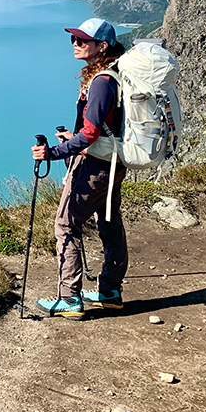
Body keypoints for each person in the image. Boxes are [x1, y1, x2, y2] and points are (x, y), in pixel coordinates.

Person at [29, 17, 128, 320]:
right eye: (74, 39)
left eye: (82, 41)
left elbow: (91, 133)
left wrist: (53, 153)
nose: (75, 44)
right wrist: (74, 139)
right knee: (109, 222)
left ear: (102, 46)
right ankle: (109, 291)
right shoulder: (116, 75)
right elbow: (103, 129)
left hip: (96, 168)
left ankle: (69, 298)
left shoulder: (102, 82)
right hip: (113, 163)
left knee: (65, 225)